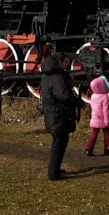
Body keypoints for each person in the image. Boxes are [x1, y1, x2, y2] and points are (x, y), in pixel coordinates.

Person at [40, 52, 85, 181]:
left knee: (59, 142)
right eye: (66, 62)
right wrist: (80, 103)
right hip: (59, 114)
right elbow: (64, 95)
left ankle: (56, 169)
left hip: (54, 113)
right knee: (58, 143)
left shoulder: (47, 75)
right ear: (59, 62)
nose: (67, 64)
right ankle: (53, 173)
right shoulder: (56, 76)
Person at [84, 76, 109, 156]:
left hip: (95, 118)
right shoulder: (105, 97)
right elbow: (106, 110)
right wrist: (107, 121)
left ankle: (88, 148)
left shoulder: (93, 96)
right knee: (107, 134)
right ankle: (108, 148)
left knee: (94, 134)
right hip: (103, 119)